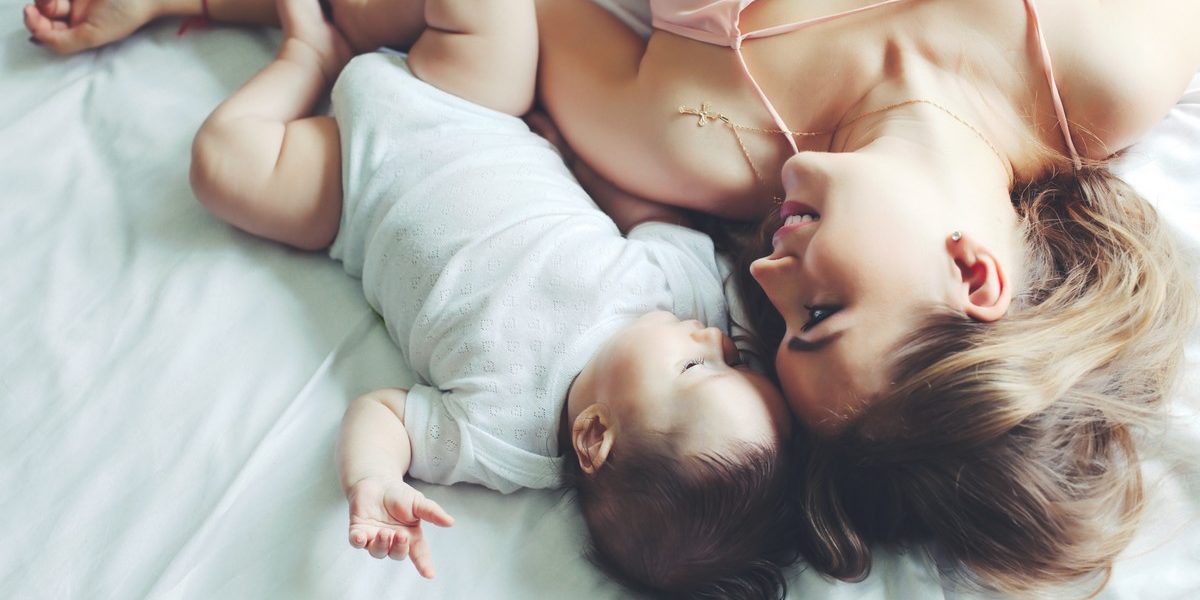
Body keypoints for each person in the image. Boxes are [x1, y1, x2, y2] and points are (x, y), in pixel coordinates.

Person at [24, 0, 1200, 593]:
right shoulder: (1104, 59)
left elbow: (469, 23)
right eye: (822, 311)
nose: (770, 270)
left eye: (773, 326)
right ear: (975, 274)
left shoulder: (681, 145)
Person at [34, 0, 801, 595]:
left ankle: (308, 57)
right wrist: (568, 155)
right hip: (473, 105)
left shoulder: (506, 439)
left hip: (350, 189)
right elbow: (642, 203)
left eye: (704, 371)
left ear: (594, 437)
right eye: (735, 359)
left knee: (219, 164)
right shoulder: (669, 293)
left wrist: (374, 479)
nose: (711, 340)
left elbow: (384, 414)